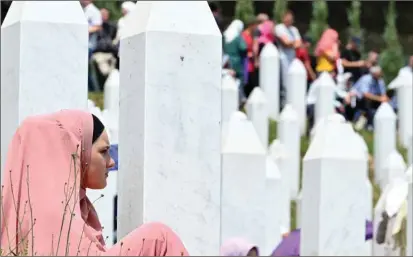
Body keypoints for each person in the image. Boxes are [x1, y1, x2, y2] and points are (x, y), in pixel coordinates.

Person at [0, 110, 189, 256]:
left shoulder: (69, 210)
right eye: (103, 151)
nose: (111, 162)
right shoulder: (53, 215)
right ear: (77, 153)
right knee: (159, 237)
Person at [274, 10, 302, 109]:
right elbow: (285, 43)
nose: (290, 21)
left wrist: (292, 43)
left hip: (292, 59)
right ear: (283, 18)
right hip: (283, 58)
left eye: (291, 19)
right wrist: (293, 43)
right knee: (284, 83)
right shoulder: (279, 28)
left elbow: (299, 44)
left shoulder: (294, 30)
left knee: (292, 82)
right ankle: (284, 105)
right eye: (288, 19)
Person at [223, 20, 248, 106]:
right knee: (238, 82)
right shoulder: (237, 37)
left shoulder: (225, 36)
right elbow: (243, 48)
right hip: (237, 62)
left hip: (226, 62)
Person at [241, 17, 260, 98]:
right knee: (247, 82)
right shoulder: (244, 35)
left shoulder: (253, 35)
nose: (256, 28)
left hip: (252, 63)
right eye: (255, 25)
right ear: (251, 25)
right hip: (246, 63)